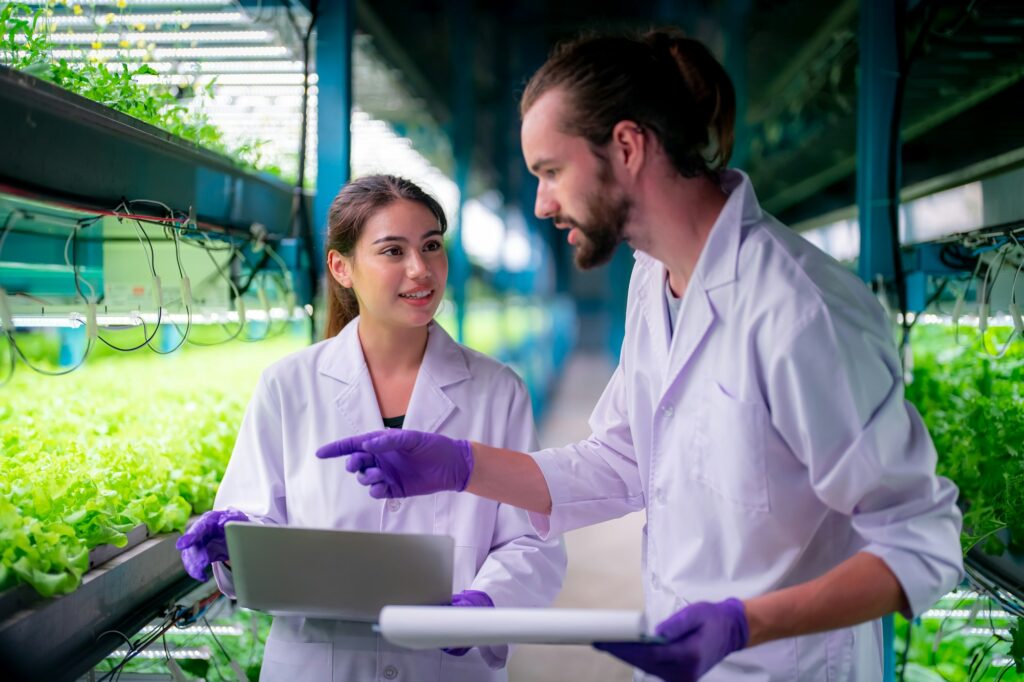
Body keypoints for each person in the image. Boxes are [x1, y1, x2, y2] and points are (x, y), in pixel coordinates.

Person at [316, 31, 965, 682]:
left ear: (626, 147)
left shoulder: (800, 314)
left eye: (550, 171)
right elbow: (622, 461)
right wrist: (460, 465)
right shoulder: (652, 278)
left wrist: (746, 623)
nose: (542, 202)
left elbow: (921, 542)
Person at [176, 174, 566, 681]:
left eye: (431, 246)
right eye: (393, 251)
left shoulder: (496, 390)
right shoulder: (288, 386)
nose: (420, 269)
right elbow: (257, 525)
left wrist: (487, 604)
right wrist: (232, 544)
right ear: (342, 267)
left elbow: (533, 541)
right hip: (319, 664)